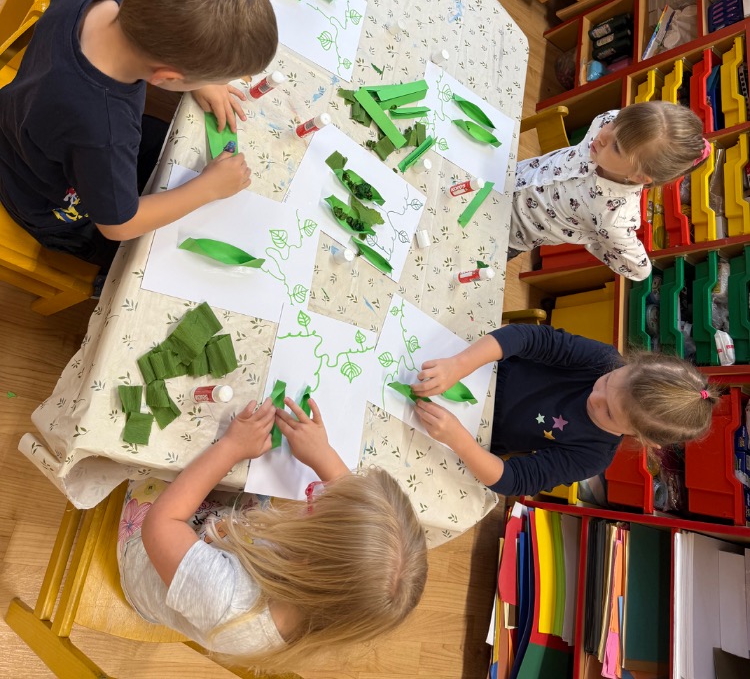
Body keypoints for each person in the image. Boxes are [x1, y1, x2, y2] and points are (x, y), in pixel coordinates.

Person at [0, 0, 277, 269]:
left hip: (24, 119)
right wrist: (207, 189)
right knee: (160, 257)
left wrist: (198, 78)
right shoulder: (104, 130)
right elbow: (119, 226)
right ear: (168, 76)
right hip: (48, 204)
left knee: (163, 139)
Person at [118, 396, 428, 669]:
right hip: (226, 538)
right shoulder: (324, 597)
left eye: (321, 509)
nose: (325, 493)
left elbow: (162, 524)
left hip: (153, 552)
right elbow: (348, 523)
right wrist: (323, 454)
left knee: (162, 454)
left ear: (305, 559)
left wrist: (231, 448)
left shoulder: (228, 601)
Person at [411, 321, 718, 497]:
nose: (595, 397)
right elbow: (526, 337)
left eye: (609, 413)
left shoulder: (593, 456)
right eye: (607, 381)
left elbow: (514, 480)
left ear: (644, 439)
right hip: (480, 366)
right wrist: (459, 365)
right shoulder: (603, 359)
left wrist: (459, 440)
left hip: (472, 431)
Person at [509, 102, 708, 281]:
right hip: (510, 175)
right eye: (615, 124)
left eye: (617, 147)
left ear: (639, 177)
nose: (603, 136)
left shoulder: (616, 217)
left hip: (511, 232)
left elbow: (639, 270)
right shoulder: (609, 120)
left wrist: (599, 237)